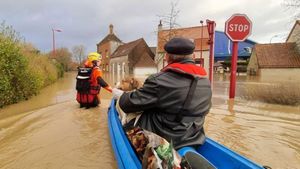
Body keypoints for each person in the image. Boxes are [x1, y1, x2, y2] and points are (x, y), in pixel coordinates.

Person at [112, 37, 212, 150]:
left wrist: (122, 95)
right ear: (193, 57)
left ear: (167, 57)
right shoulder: (206, 81)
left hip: (167, 137)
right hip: (194, 136)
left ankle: (126, 135)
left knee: (126, 107)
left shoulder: (158, 80)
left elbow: (127, 104)